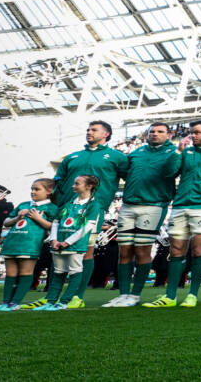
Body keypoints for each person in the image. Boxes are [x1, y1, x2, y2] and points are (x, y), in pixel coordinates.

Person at [144, 120, 201, 308]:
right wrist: (178, 151)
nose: (192, 136)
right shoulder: (185, 151)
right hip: (180, 205)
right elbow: (169, 172)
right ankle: (170, 296)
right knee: (176, 250)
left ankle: (192, 295)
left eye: (196, 132)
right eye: (191, 132)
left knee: (199, 249)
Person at [51, 120, 129, 304]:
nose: (89, 132)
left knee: (86, 251)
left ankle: (78, 296)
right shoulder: (72, 157)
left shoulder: (117, 157)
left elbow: (131, 178)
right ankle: (51, 297)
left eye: (94, 130)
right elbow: (58, 181)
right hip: (66, 211)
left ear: (106, 134)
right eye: (88, 129)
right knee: (57, 249)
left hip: (94, 209)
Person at [105, 122, 180, 307]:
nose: (155, 134)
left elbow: (172, 172)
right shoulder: (137, 152)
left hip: (153, 205)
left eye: (160, 131)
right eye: (152, 131)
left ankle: (135, 295)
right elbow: (124, 173)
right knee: (124, 251)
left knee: (142, 250)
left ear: (169, 134)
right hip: (129, 205)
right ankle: (123, 294)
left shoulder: (174, 152)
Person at [0, 180, 56, 311]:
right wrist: (18, 217)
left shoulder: (52, 208)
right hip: (12, 241)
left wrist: (38, 218)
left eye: (37, 189)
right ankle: (5, 302)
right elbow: (6, 222)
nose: (33, 192)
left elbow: (54, 226)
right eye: (32, 189)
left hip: (30, 244)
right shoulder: (23, 204)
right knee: (11, 273)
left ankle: (15, 302)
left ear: (49, 191)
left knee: (26, 272)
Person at [37, 175, 101, 310]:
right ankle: (51, 301)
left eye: (77, 184)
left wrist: (67, 242)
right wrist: (54, 239)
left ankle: (65, 301)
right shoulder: (69, 203)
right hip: (58, 243)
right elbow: (56, 222)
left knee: (75, 271)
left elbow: (87, 227)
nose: (73, 186)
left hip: (75, 245)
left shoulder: (94, 205)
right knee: (58, 272)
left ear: (89, 186)